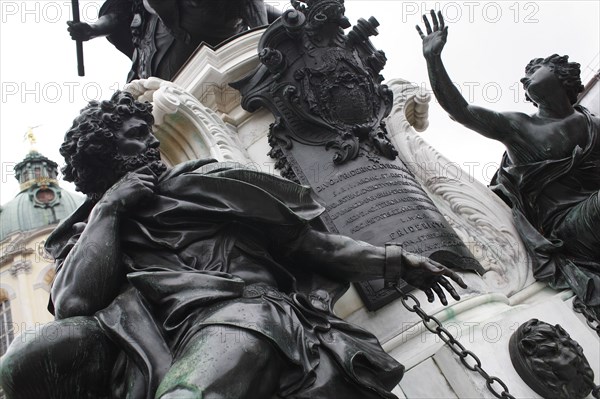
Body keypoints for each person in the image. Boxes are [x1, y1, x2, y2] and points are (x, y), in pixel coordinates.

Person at [0, 91, 467, 398]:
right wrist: (109, 210)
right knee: (18, 367)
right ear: (106, 159)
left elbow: (314, 248)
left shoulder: (212, 181)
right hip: (143, 332)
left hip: (240, 311)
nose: (151, 142)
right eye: (134, 137)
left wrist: (395, 260)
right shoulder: (97, 226)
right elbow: (74, 303)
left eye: (149, 131)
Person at [416, 11, 600, 316]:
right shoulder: (520, 126)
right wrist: (433, 60)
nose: (524, 78)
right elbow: (460, 110)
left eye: (533, 69)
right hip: (564, 228)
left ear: (560, 74)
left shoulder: (593, 124)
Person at [67, 0, 281, 82]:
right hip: (160, 42)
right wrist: (92, 29)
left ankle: (264, 41)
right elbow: (116, 15)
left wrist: (286, 21)